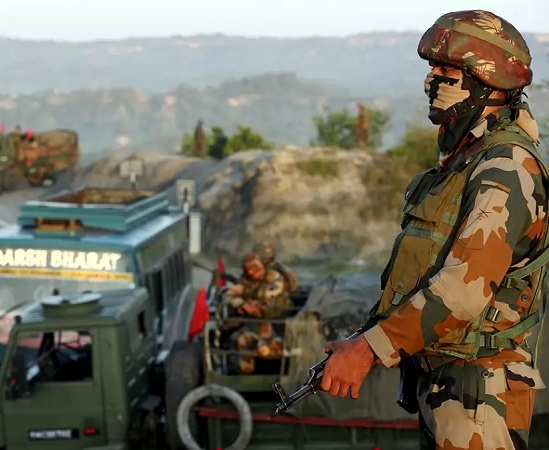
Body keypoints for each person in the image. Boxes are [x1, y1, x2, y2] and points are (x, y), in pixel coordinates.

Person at [320, 10, 548, 450]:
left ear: (488, 81)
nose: (432, 82)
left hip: (479, 392)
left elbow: (463, 291)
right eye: (431, 70)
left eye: (446, 71)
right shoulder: (463, 162)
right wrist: (365, 335)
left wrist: (369, 350)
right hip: (448, 386)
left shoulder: (505, 168)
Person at [222, 252, 292, 373]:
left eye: (254, 269)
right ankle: (243, 376)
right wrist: (242, 304)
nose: (250, 273)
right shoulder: (246, 282)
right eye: (248, 270)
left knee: (280, 345)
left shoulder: (274, 278)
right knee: (238, 340)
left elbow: (272, 295)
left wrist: (256, 305)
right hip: (255, 325)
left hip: (277, 323)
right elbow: (228, 295)